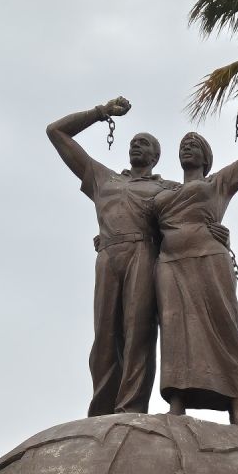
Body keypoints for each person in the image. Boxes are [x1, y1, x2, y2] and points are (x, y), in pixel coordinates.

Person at [152, 78, 238, 425]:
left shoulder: (217, 183)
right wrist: (106, 239)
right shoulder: (161, 194)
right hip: (171, 266)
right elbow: (133, 224)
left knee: (224, 327)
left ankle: (236, 407)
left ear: (206, 157)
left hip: (210, 260)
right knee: (175, 329)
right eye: (183, 145)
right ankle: (177, 401)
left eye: (194, 145)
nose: (187, 148)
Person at [46, 96, 176, 415]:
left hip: (143, 252)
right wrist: (100, 112)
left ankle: (131, 407)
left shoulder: (167, 189)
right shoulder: (104, 179)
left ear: (155, 156)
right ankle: (102, 409)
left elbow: (200, 209)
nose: (136, 145)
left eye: (143, 143)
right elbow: (56, 132)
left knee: (138, 331)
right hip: (108, 255)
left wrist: (216, 232)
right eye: (133, 142)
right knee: (104, 336)